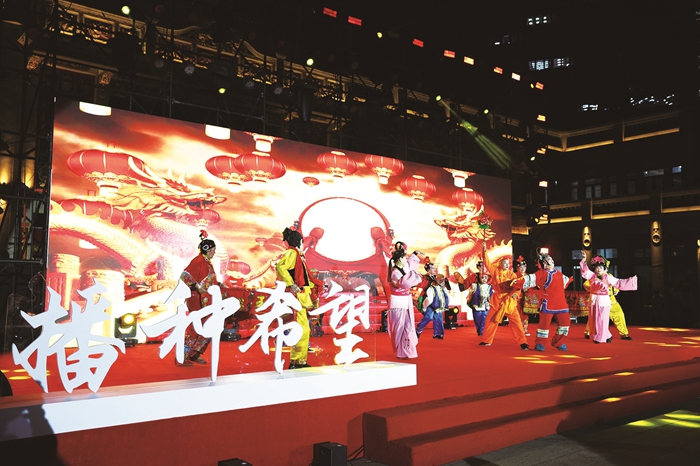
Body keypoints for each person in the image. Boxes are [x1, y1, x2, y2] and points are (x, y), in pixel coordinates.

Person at [276, 227, 323, 369]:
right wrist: (291, 284)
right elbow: (280, 267)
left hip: (301, 297)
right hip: (297, 297)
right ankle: (296, 361)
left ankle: (298, 360)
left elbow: (305, 278)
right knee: (301, 329)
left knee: (303, 329)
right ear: (300, 242)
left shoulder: (297, 255)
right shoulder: (292, 253)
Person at [178, 230, 222, 366]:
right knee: (195, 327)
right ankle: (182, 357)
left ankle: (194, 354)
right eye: (213, 250)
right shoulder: (198, 261)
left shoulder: (207, 262)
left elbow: (208, 280)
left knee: (207, 325)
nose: (214, 252)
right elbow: (185, 276)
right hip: (196, 299)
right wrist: (197, 287)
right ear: (208, 250)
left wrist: (219, 285)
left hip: (206, 299)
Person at [515, 251, 572, 351]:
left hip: (561, 304)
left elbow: (564, 282)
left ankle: (559, 342)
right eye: (549, 260)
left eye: (552, 260)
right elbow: (530, 279)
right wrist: (516, 283)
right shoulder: (542, 273)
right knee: (544, 326)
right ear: (544, 263)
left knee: (565, 323)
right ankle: (540, 343)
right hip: (548, 303)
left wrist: (570, 280)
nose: (552, 261)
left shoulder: (558, 272)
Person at [479, 244, 530, 350]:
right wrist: (484, 251)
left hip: (509, 300)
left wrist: (515, 294)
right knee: (491, 320)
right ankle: (487, 340)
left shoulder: (512, 275)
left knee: (516, 322)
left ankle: (522, 342)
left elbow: (517, 287)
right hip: (497, 300)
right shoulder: (495, 271)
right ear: (500, 264)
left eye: (508, 263)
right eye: (505, 263)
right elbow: (487, 263)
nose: (507, 265)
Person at [580, 251, 637, 344]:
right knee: (594, 319)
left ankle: (601, 337)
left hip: (605, 301)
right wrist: (583, 260)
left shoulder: (608, 277)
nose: (598, 269)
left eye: (601, 267)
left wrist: (631, 281)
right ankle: (605, 335)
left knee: (603, 320)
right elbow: (584, 272)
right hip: (594, 301)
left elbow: (619, 283)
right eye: (597, 267)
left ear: (605, 269)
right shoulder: (592, 276)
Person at [387, 248, 423, 359]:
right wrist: (414, 275)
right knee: (400, 328)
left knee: (408, 326)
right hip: (397, 303)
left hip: (405, 301)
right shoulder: (394, 273)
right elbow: (405, 283)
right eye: (404, 258)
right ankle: (401, 351)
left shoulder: (402, 268)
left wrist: (415, 254)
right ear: (400, 259)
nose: (406, 260)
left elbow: (410, 264)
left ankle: (408, 351)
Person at [417, 274, 449, 339]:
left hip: (438, 306)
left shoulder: (443, 289)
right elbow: (429, 300)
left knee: (439, 319)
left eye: (443, 281)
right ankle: (418, 329)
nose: (443, 282)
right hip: (431, 306)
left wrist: (444, 305)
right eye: (441, 281)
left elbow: (446, 297)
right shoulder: (431, 288)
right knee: (428, 317)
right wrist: (424, 307)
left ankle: (438, 333)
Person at [469, 271, 493, 336]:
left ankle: (482, 331)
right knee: (477, 320)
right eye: (482, 277)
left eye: (486, 277)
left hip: (486, 306)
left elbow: (492, 295)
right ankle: (479, 330)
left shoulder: (490, 286)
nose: (484, 279)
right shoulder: (475, 285)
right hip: (477, 306)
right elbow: (471, 295)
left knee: (484, 320)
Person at [514, 256, 531, 336]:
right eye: (521, 267)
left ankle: (524, 329)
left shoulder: (528, 276)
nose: (522, 269)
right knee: (518, 313)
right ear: (517, 268)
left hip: (526, 297)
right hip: (517, 297)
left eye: (524, 267)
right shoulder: (515, 276)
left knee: (525, 314)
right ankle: (518, 330)